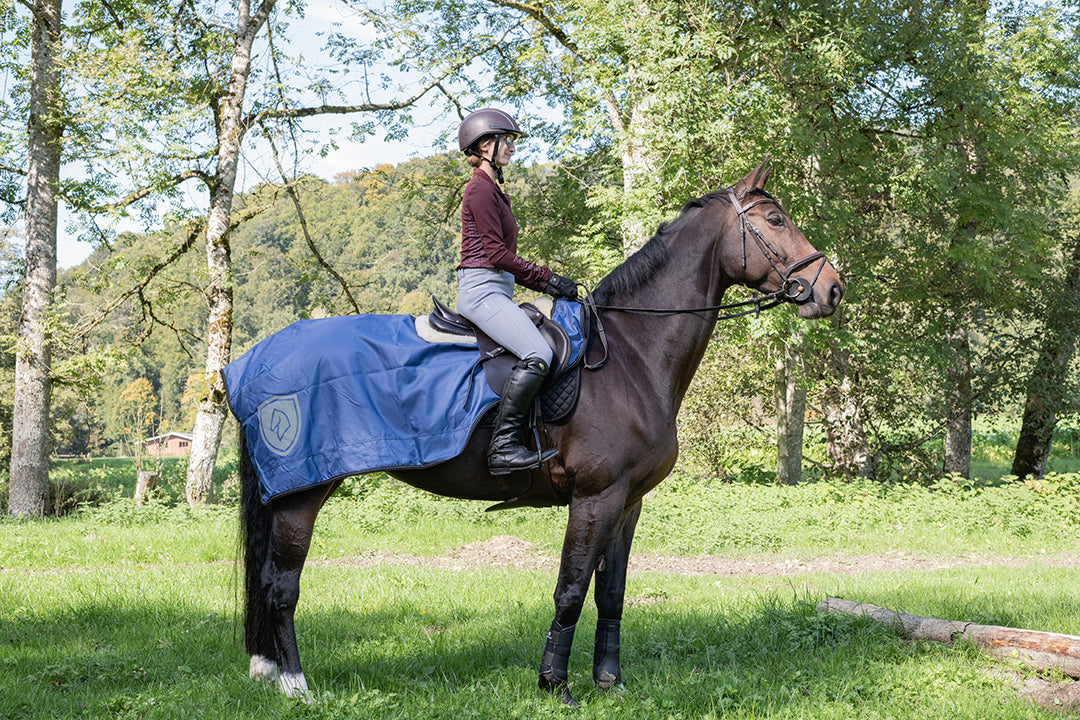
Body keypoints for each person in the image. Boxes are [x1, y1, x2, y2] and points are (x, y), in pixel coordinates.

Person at [455, 108, 578, 475]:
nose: (511, 147)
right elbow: (495, 254)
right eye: (505, 140)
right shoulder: (478, 189)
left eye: (510, 141)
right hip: (481, 291)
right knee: (538, 352)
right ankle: (504, 447)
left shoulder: (492, 189)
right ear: (484, 145)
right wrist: (547, 280)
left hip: (497, 290)